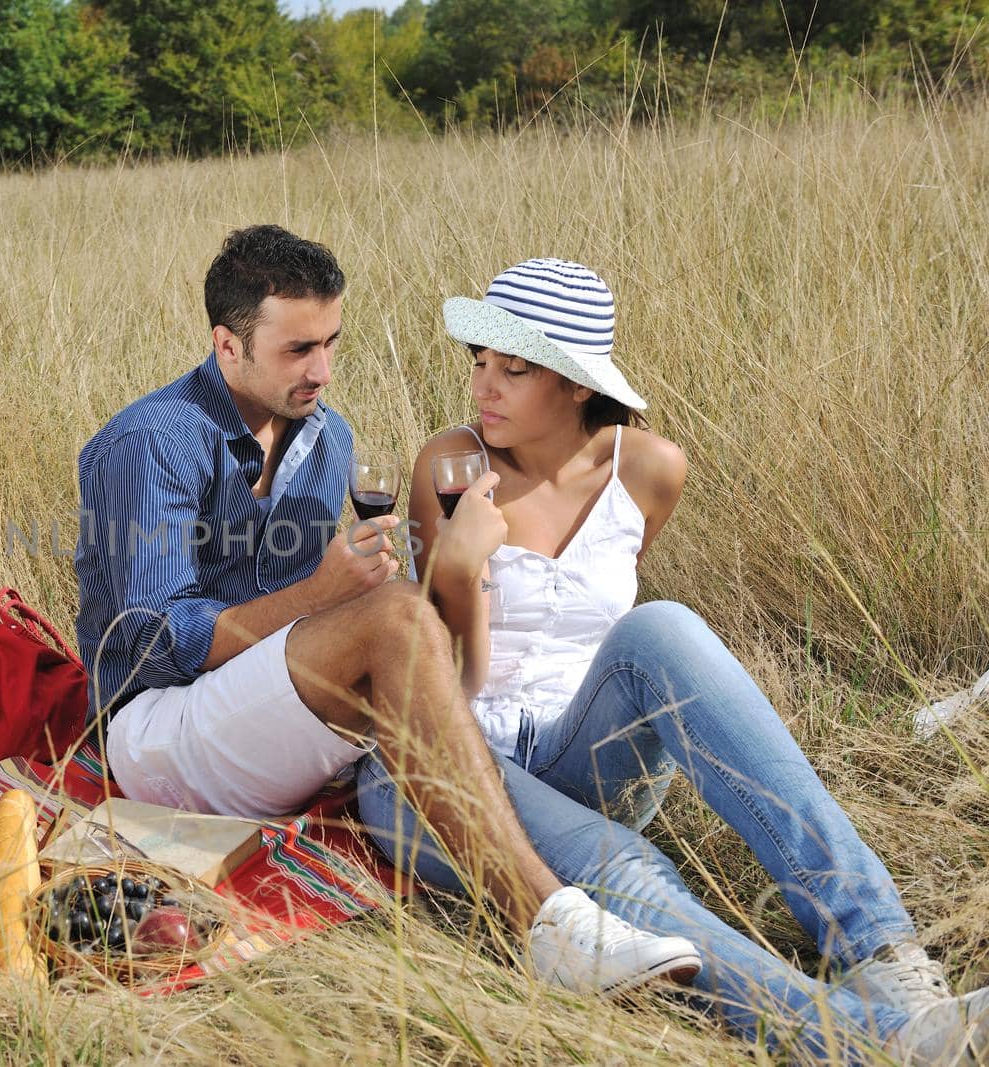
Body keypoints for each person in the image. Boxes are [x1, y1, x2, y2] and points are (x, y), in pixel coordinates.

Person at [357, 257, 989, 1062]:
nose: (484, 386)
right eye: (479, 362)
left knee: (663, 626)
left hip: (578, 753)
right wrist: (452, 570)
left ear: (579, 383)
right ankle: (880, 1042)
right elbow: (437, 673)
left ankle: (882, 954)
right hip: (440, 764)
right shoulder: (450, 465)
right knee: (624, 863)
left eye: (513, 369)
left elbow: (604, 641)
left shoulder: (650, 469)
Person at [72, 226, 704, 995]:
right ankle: (549, 924)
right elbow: (149, 645)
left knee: (406, 620)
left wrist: (373, 595)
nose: (324, 370)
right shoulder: (151, 443)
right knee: (399, 618)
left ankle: (585, 892)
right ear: (227, 345)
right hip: (157, 735)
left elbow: (318, 627)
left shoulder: (327, 439)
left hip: (272, 715)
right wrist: (326, 600)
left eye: (332, 342)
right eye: (299, 349)